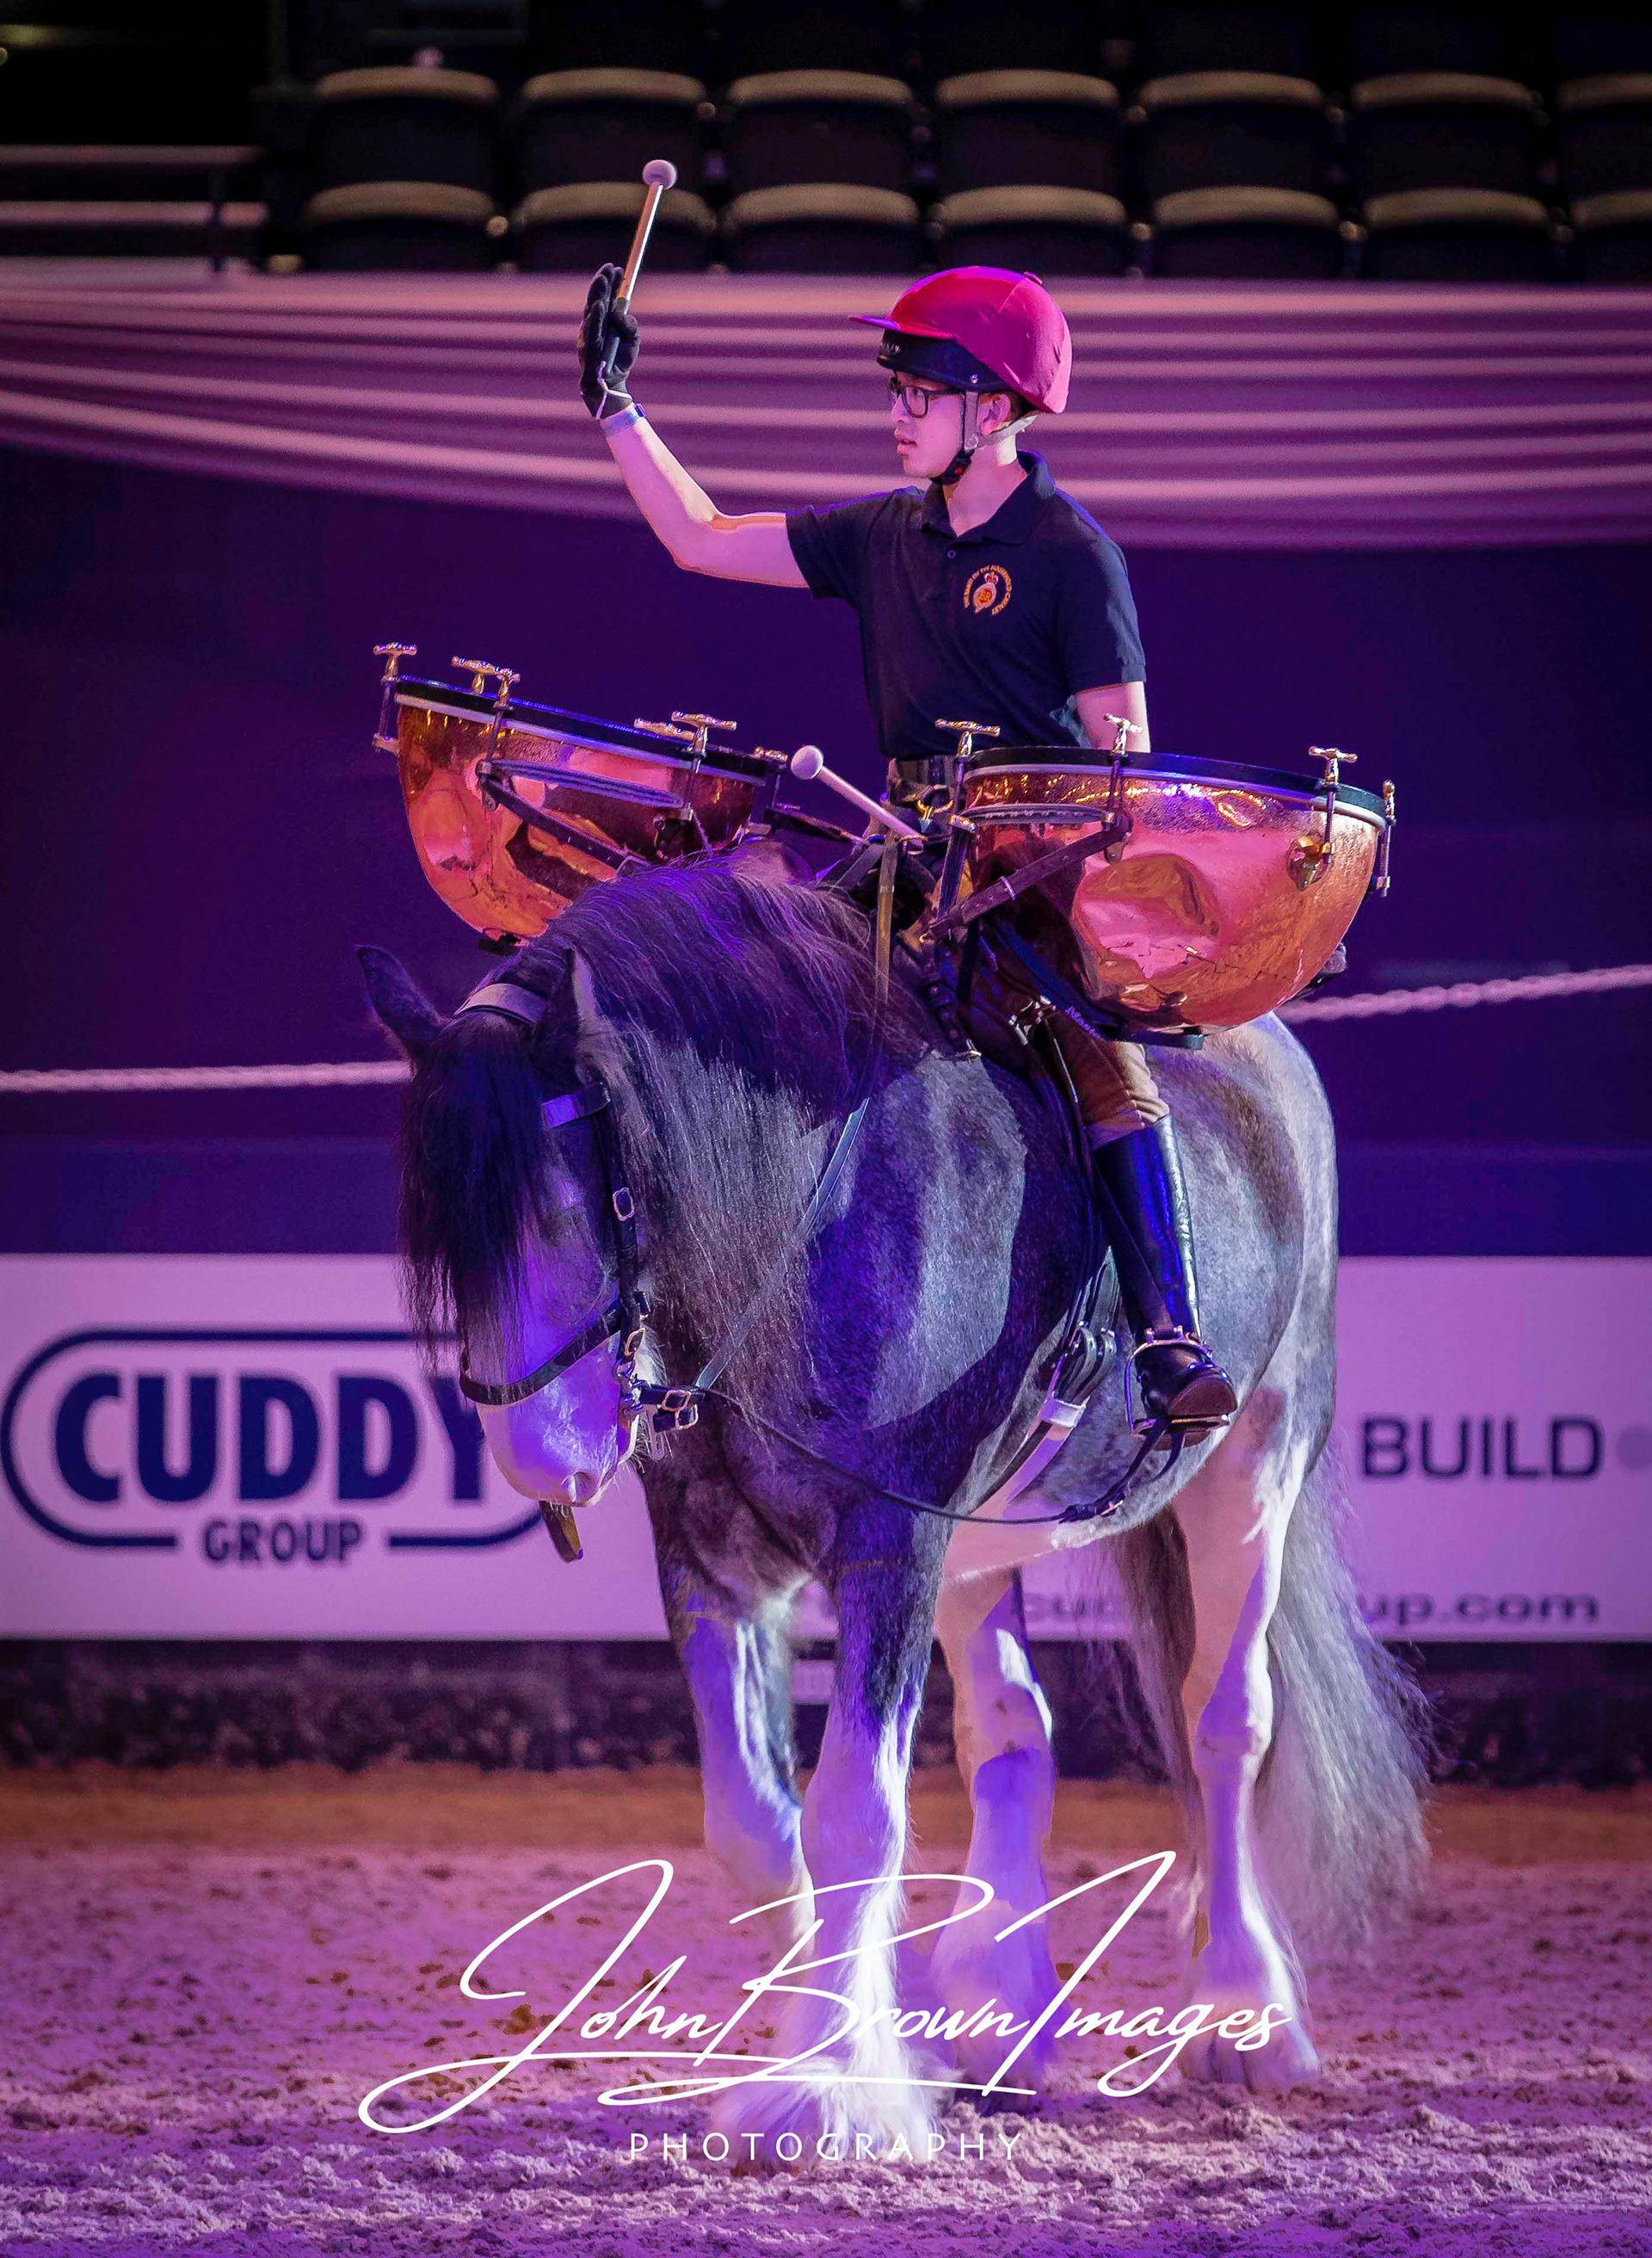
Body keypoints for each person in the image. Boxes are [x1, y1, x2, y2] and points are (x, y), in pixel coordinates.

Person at [575, 262, 1236, 1437]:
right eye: (895, 389)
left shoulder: (1073, 554)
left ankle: (1166, 1335)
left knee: (1104, 1067)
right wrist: (618, 407)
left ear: (996, 408)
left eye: (919, 392)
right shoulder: (882, 533)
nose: (895, 411)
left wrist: (1044, 858)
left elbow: (1123, 764)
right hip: (901, 858)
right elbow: (701, 538)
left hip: (1032, 876)